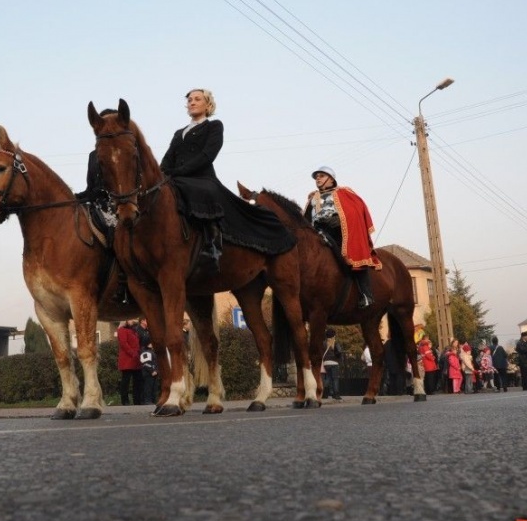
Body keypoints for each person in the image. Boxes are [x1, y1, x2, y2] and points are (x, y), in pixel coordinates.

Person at [160, 89, 295, 271]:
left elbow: (208, 155)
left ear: (208, 105)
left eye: (197, 99)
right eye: (190, 100)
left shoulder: (214, 126)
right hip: (176, 177)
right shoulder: (179, 133)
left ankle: (212, 245)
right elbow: (168, 157)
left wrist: (179, 172)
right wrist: (161, 174)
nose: (192, 102)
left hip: (202, 178)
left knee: (205, 191)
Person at [303, 166, 381, 308]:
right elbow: (305, 220)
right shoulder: (313, 198)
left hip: (339, 231)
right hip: (318, 231)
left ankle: (366, 294)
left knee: (352, 257)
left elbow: (355, 212)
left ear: (331, 179)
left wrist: (338, 220)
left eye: (321, 176)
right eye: (316, 177)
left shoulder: (344, 193)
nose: (318, 179)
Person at [117, 320, 143, 405]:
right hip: (127, 359)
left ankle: (137, 400)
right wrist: (133, 353)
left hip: (136, 360)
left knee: (138, 381)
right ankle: (125, 400)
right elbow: (124, 344)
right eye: (130, 320)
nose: (132, 321)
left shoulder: (133, 330)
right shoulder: (122, 330)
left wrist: (138, 354)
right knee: (126, 381)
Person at [321, 328, 343, 401]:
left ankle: (324, 393)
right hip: (334, 362)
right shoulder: (335, 343)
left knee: (328, 378)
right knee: (335, 379)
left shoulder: (324, 343)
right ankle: (336, 394)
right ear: (333, 335)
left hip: (326, 363)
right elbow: (339, 352)